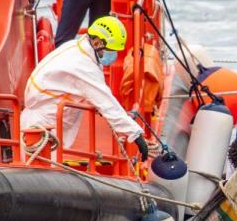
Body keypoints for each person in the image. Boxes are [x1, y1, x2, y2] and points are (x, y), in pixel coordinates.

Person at [22, 16, 149, 160]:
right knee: (43, 165)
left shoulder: (75, 47)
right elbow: (106, 103)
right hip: (46, 123)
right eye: (110, 50)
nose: (112, 55)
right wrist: (135, 134)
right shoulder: (84, 66)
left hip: (43, 115)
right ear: (96, 42)